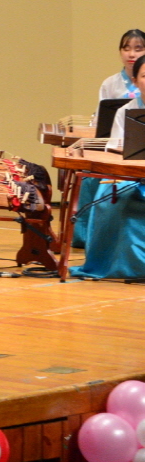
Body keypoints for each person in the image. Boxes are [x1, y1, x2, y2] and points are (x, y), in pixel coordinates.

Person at [74, 55, 145, 279]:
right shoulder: (124, 112)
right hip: (132, 176)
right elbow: (115, 147)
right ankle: (122, 263)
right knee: (108, 197)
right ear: (135, 81)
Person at [100, 29, 145, 101]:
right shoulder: (109, 84)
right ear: (120, 52)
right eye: (127, 49)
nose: (131, 54)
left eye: (138, 50)